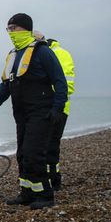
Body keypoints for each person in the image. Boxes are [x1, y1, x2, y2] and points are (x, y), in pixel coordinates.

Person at [0, 14, 68, 210]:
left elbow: (60, 81)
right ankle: (27, 192)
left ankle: (44, 195)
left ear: (25, 29)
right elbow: (6, 85)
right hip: (22, 114)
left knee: (35, 153)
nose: (10, 33)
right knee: (23, 154)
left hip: (41, 112)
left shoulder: (43, 52)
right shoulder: (13, 55)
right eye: (8, 29)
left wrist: (57, 109)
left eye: (14, 28)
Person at [34, 31, 75, 191]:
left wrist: (47, 99)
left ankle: (53, 180)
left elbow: (66, 84)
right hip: (43, 108)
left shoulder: (60, 54)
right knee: (43, 146)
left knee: (50, 146)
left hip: (58, 108)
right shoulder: (40, 54)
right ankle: (48, 179)